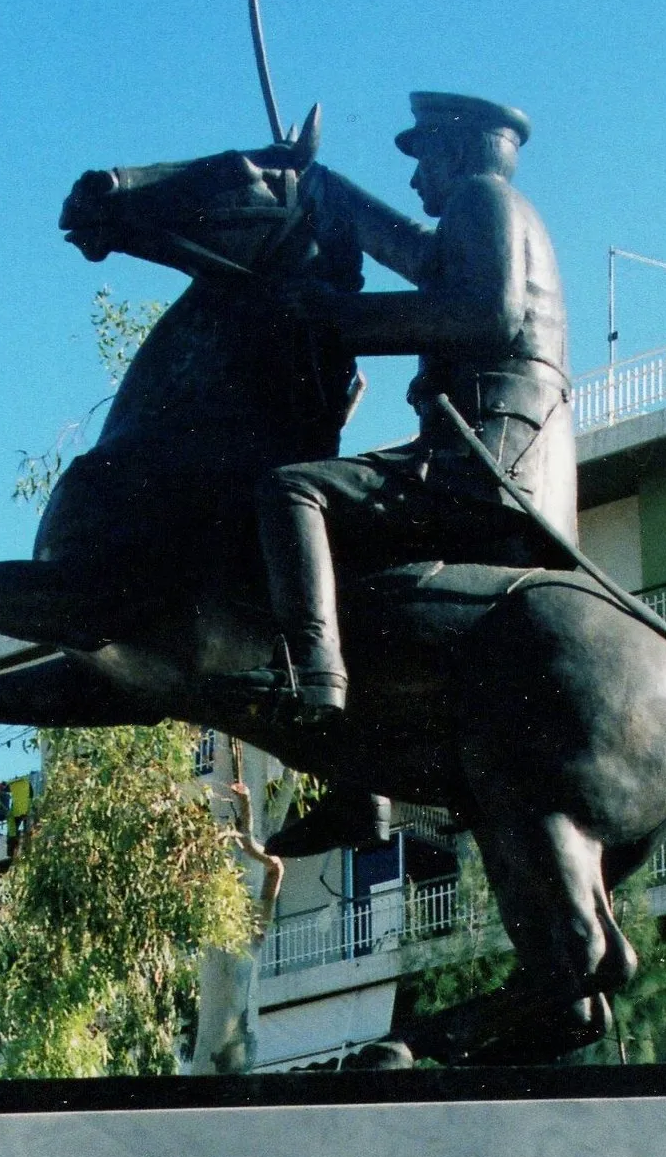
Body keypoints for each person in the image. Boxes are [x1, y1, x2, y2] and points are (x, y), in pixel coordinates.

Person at [214, 92, 575, 724]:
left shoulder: (481, 199)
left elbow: (486, 315)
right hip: (510, 463)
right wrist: (331, 191)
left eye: (424, 157)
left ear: (458, 152)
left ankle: (316, 677)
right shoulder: (496, 211)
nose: (413, 177)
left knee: (292, 491)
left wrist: (336, 317)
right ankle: (358, 784)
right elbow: (420, 256)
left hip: (484, 458)